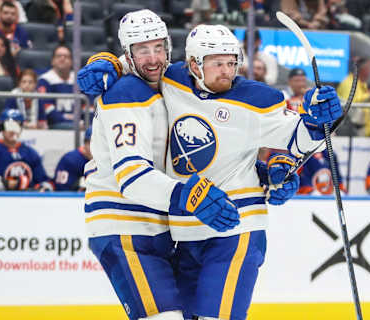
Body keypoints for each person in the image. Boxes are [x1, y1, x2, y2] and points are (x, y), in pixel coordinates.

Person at [79, 23, 342, 320]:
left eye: (232, 63)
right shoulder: (170, 80)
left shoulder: (256, 99)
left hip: (235, 227)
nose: (227, 71)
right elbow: (140, 60)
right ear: (194, 64)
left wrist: (319, 120)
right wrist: (107, 62)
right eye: (217, 64)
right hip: (184, 234)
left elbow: (301, 139)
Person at [78, 10, 251, 320]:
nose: (154, 58)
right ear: (128, 54)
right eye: (142, 50)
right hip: (123, 225)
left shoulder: (172, 84)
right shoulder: (125, 93)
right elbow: (132, 175)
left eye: (159, 47)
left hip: (160, 229)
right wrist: (190, 196)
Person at [0, 109, 54, 192]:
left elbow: (43, 181)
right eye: (9, 126)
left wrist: (43, 188)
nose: (12, 130)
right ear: (1, 127)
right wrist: (7, 183)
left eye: (16, 126)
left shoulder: (31, 153)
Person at [37, 45, 78, 129]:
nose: (62, 59)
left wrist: (82, 121)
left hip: (79, 124)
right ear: (52, 61)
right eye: (59, 56)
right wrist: (69, 121)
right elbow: (47, 109)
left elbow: (89, 105)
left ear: (71, 62)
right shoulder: (45, 80)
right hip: (55, 126)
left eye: (66, 56)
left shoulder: (80, 80)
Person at [337, 56, 370, 136]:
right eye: (369, 68)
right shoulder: (347, 84)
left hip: (364, 131)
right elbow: (348, 107)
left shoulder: (362, 83)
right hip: (352, 132)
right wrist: (369, 96)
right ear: (363, 70)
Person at [54, 127, 92, 191]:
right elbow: (61, 191)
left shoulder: (108, 159)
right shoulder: (70, 160)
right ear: (86, 144)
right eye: (93, 143)